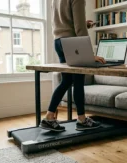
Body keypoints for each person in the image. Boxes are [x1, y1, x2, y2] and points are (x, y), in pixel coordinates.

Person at [40, 0, 106, 132]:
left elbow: (64, 21)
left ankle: (49, 116)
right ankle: (82, 120)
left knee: (67, 80)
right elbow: (80, 28)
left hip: (59, 41)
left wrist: (84, 24)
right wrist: (89, 54)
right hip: (72, 42)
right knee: (78, 81)